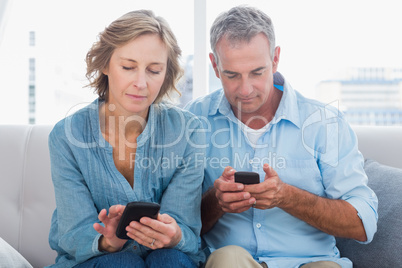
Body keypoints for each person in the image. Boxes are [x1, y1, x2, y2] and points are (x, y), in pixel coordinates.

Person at [185, 5, 378, 268]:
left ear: (275, 59)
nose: (245, 89)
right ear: (215, 66)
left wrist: (288, 197)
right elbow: (179, 223)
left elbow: (363, 224)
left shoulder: (324, 123)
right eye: (232, 75)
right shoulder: (194, 119)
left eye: (257, 72)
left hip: (312, 262)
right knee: (226, 259)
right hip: (231, 261)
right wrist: (216, 202)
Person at [46, 10, 205, 268]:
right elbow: (73, 234)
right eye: (128, 67)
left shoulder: (188, 132)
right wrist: (107, 241)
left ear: (166, 73)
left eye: (154, 70)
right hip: (98, 261)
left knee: (171, 260)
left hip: (168, 258)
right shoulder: (66, 137)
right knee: (120, 262)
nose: (140, 83)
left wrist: (175, 234)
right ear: (106, 64)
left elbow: (186, 229)